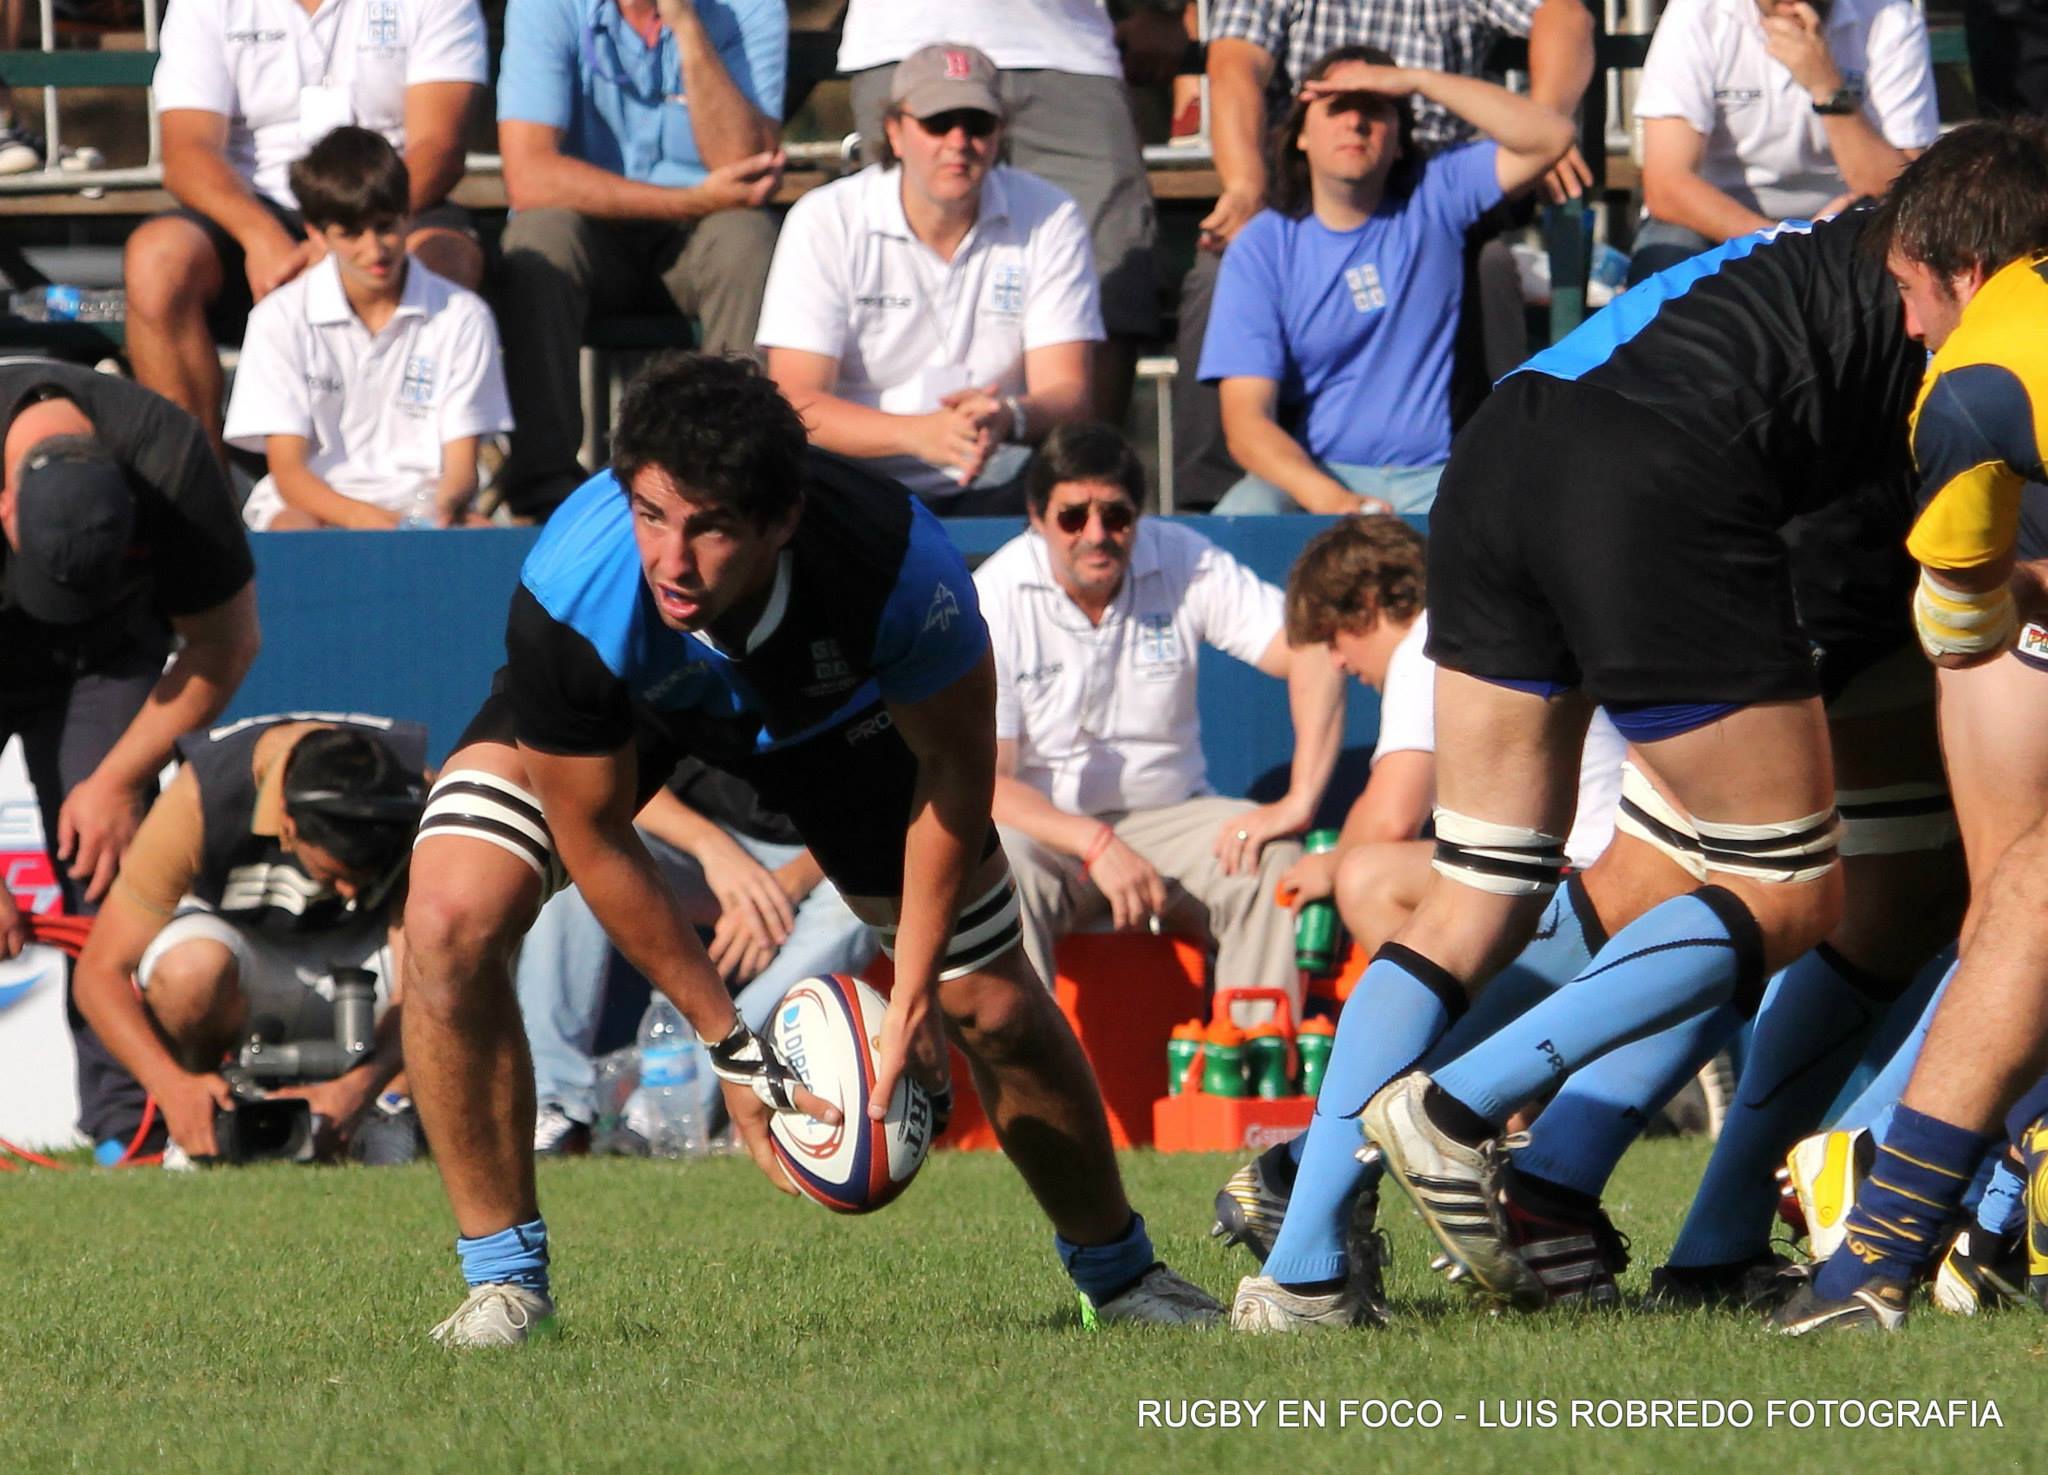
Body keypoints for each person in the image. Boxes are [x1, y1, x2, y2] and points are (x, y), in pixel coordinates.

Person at [401, 353, 1220, 1347]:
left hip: (841, 732)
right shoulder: (578, 581)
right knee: (447, 916)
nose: (672, 557)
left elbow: (953, 779)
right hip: (641, 707)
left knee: (991, 1002)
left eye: (708, 526)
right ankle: (505, 1284)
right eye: (652, 513)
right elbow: (594, 825)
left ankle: (1121, 1273)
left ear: (782, 517)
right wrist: (727, 1044)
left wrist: (912, 989)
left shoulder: (895, 563)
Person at [1214, 199, 1931, 1325]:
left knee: (1483, 891)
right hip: (1674, 480)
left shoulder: (1843, 229)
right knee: (1792, 889)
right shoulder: (1968, 267)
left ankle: (1305, 1247)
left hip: (1500, 447)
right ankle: (1460, 1113)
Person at [1778, 120, 2048, 1335]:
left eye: (1903, 291)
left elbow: (1957, 622)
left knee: (2027, 893)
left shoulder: (1974, 382)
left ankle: (1881, 1243)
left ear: (1961, 269)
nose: (1903, 326)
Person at [974, 423, 1343, 1019]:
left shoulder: (1182, 556)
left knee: (1273, 859)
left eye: (1116, 516)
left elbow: (1315, 650)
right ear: (1037, 517)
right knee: (1000, 874)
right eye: (1073, 517)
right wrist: (1095, 843)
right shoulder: (994, 595)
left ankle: (1253, 1085)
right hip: (1048, 835)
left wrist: (1299, 801)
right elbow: (986, 783)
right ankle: (1038, 1096)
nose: (1097, 536)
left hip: (1172, 820)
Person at [1172, 0, 1596, 509]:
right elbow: (1234, 64)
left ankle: (1500, 454)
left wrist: (1415, 81)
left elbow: (1561, 43)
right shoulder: (1268, 245)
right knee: (1218, 278)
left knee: (1490, 267)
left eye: (1370, 107)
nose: (1355, 122)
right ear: (1303, 131)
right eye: (1337, 107)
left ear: (1395, 130)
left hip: (1443, 183)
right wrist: (1244, 185)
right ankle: (1206, 511)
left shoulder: (1437, 192)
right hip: (1321, 470)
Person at [0, 360, 263, 1150]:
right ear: (4, 506)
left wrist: (116, 780)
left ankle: (129, 1132)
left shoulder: (172, 462)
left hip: (111, 657)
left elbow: (226, 641)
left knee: (103, 862)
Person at [123, 0, 489, 453]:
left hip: (386, 197)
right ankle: (195, 497)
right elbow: (186, 153)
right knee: (157, 261)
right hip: (254, 208)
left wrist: (344, 238)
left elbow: (439, 147)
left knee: (443, 260)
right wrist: (261, 236)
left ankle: (415, 486)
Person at [759, 44, 1101, 516]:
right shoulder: (825, 219)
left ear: (1000, 132)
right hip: (851, 482)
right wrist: (916, 434)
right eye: (938, 123)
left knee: (1085, 480)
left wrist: (1009, 416)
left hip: (1000, 473)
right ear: (895, 132)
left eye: (977, 124)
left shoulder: (1051, 214)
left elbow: (1069, 393)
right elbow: (795, 400)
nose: (959, 142)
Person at [69, 715, 427, 1163]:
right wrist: (172, 1087)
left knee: (453, 951)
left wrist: (361, 1087)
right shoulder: (203, 794)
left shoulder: (413, 798)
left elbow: (428, 983)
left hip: (367, 977)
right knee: (189, 969)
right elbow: (99, 973)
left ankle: (390, 1109)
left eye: (364, 876)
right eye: (337, 876)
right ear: (288, 825)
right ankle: (202, 1112)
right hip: (248, 967)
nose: (352, 894)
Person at [1271, 516, 1622, 962]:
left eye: (1332, 637)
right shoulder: (1469, 624)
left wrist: (1329, 865)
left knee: (1366, 876)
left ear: (1368, 602)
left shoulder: (1427, 645)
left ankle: (1470, 1030)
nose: (1337, 662)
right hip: (1601, 869)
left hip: (1581, 877)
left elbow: (1390, 818)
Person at [491, 0, 788, 520]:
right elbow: (529, 175)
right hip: (594, 231)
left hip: (703, 238)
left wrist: (688, 29)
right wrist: (691, 199)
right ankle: (544, 498)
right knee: (539, 238)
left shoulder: (751, 7)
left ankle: (727, 484)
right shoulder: (547, 6)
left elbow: (747, 166)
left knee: (748, 239)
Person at [838, 1, 1174, 424]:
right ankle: (909, 475)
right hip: (902, 39)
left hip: (1068, 51)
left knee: (1110, 288)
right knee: (897, 288)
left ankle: (1079, 479)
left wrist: (1166, 11)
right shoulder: (820, 221)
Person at [521, 759, 874, 1154]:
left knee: (860, 901)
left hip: (819, 860)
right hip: (690, 841)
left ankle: (666, 1116)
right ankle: (555, 1105)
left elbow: (888, 803)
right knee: (574, 846)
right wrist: (713, 848)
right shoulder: (661, 695)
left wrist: (781, 888)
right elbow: (595, 775)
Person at [223, 127, 513, 531]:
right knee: (292, 529)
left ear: (408, 214)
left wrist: (434, 513)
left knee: (483, 536)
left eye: (385, 226)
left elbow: (460, 470)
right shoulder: (279, 318)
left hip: (423, 510)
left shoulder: (463, 315)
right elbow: (290, 474)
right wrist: (379, 525)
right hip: (316, 505)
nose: (375, 250)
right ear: (316, 233)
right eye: (352, 234)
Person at [1631, 0, 1937, 282]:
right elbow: (1666, 187)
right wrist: (1782, 241)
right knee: (1664, 266)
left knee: (1907, 258)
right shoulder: (1698, 14)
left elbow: (1900, 186)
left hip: (1845, 219)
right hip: (1716, 220)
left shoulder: (1890, 17)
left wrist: (1827, 87)